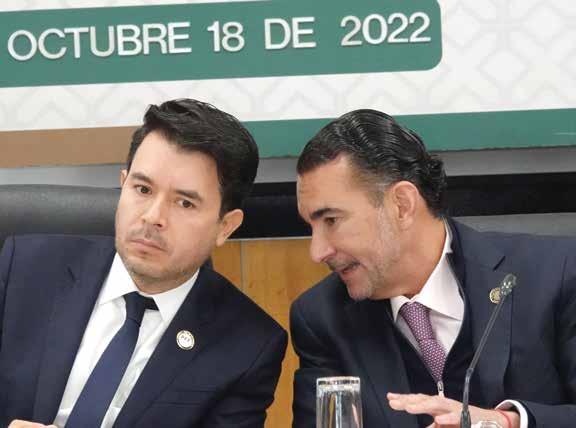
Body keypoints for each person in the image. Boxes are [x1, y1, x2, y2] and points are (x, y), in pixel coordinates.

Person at [0, 99, 287, 428]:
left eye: (184, 203)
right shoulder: (25, 269)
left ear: (226, 226)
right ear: (122, 184)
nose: (153, 216)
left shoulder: (247, 345)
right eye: (142, 189)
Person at [291, 109, 576, 428]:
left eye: (332, 220)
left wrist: (505, 422)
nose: (317, 252)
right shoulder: (322, 318)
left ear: (402, 205)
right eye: (311, 227)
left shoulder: (555, 274)